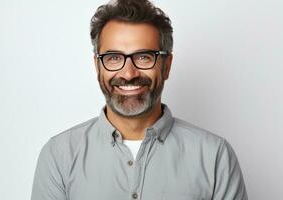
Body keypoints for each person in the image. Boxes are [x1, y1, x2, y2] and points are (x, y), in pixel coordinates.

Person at [31, 0, 248, 199]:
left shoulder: (215, 156)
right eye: (113, 58)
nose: (129, 73)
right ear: (97, 66)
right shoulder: (59, 155)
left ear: (167, 65)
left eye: (144, 57)